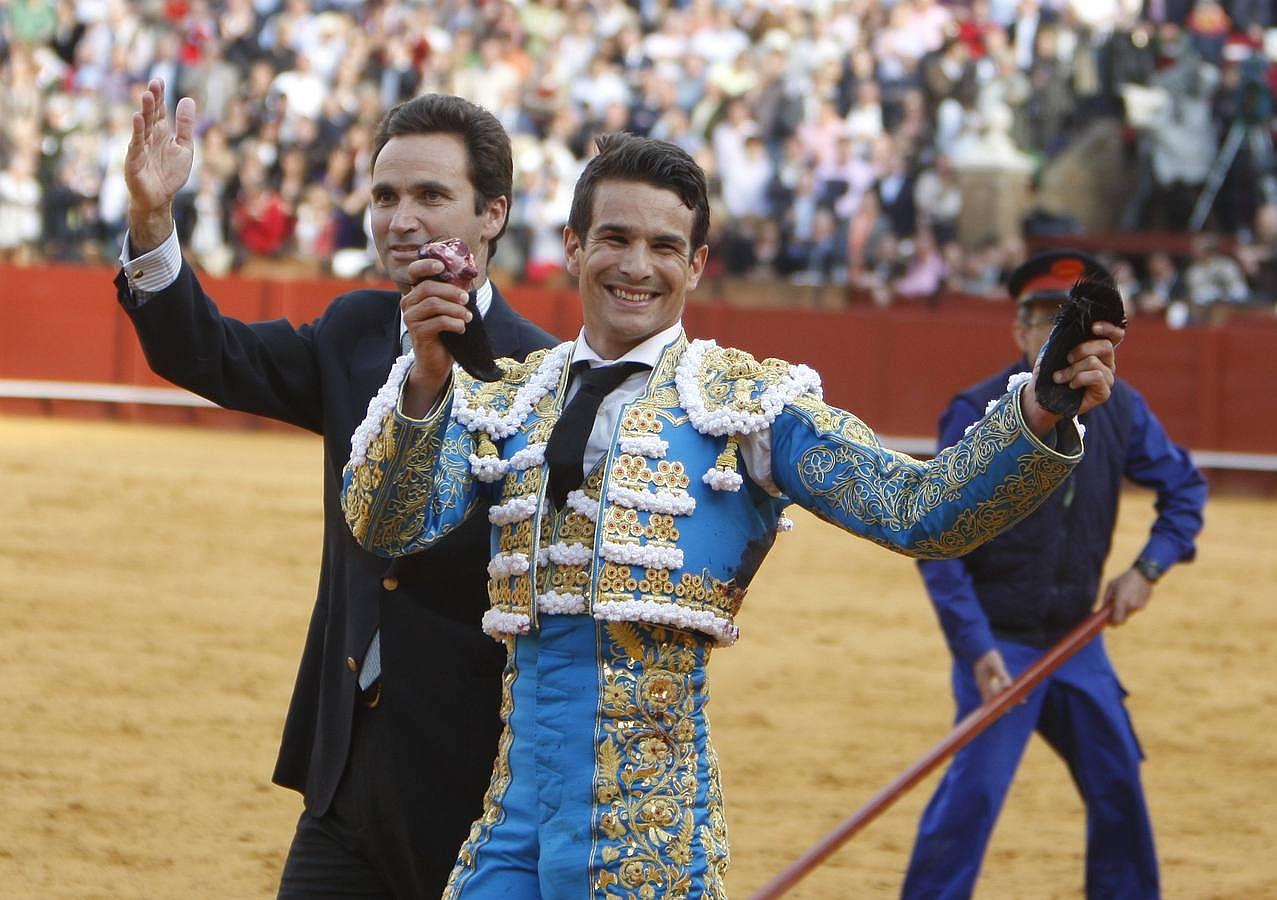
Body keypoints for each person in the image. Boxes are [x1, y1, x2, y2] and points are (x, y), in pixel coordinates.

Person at [340, 134, 1124, 898]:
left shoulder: (744, 406)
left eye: (663, 245)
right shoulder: (512, 399)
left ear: (696, 263)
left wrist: (1038, 409)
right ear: (575, 247)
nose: (636, 266)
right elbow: (385, 527)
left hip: (649, 832)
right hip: (512, 824)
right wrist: (428, 375)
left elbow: (917, 510)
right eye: (613, 238)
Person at [114, 79, 557, 897]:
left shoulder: (545, 374)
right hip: (346, 771)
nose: (401, 217)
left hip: (481, 786)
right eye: (385, 196)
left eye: (431, 194)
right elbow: (206, 353)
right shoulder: (354, 331)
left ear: (491, 213)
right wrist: (151, 221)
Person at [900, 250, 1207, 900]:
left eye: (1071, 322)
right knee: (973, 797)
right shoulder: (977, 407)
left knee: (1117, 784)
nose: (1058, 335)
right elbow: (937, 542)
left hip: (1076, 641)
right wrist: (974, 646)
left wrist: (1147, 569)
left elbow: (1184, 488)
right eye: (1044, 321)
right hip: (999, 641)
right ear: (1019, 331)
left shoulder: (1121, 408)